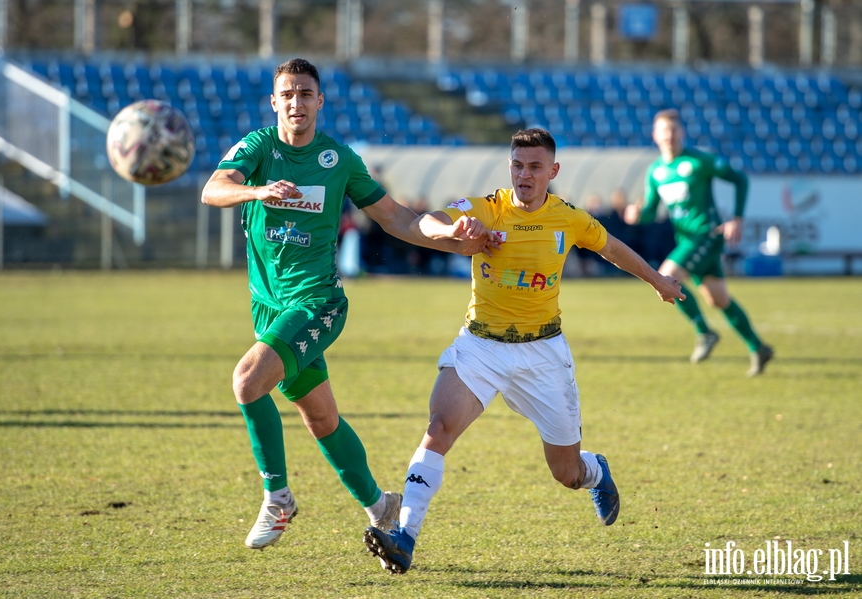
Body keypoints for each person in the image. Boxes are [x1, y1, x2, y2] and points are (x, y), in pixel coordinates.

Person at [201, 58, 492, 553]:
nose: (296, 102)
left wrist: (448, 232)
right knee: (321, 419)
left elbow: (398, 218)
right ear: (274, 102)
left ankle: (277, 497)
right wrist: (259, 189)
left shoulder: (339, 159)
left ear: (320, 101)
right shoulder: (256, 148)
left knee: (248, 382)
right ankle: (381, 506)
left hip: (319, 303)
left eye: (305, 94)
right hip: (269, 309)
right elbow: (213, 189)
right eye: (287, 94)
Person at [362, 128, 685, 574]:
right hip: (481, 346)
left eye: (535, 167)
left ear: (552, 171)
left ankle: (595, 470)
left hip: (543, 354)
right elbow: (429, 219)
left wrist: (658, 281)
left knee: (565, 472)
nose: (524, 174)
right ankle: (405, 536)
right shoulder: (486, 209)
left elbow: (611, 248)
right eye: (517, 165)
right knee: (439, 427)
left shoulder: (568, 218)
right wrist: (455, 229)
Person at [624, 109, 774, 377]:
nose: (669, 136)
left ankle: (704, 333)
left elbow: (739, 178)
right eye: (663, 131)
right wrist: (637, 214)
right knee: (718, 299)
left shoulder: (699, 160)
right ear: (655, 136)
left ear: (681, 133)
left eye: (673, 130)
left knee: (666, 277)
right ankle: (758, 347)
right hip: (687, 239)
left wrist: (737, 218)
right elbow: (651, 211)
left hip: (707, 235)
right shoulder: (656, 171)